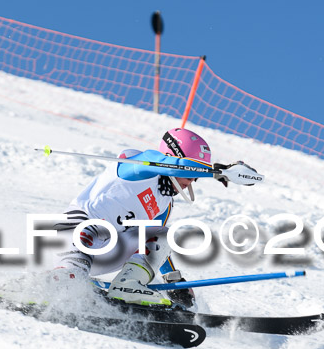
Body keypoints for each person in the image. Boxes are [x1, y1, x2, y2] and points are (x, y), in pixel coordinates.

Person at [51, 127, 255, 309]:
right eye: (193, 170)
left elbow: (153, 246)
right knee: (76, 262)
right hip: (74, 235)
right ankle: (58, 280)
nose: (194, 179)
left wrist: (173, 283)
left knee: (162, 234)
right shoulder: (137, 165)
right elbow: (167, 164)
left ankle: (127, 287)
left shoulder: (164, 201)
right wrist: (217, 171)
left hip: (105, 252)